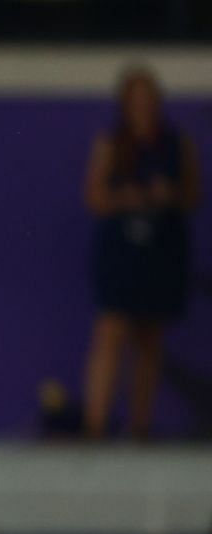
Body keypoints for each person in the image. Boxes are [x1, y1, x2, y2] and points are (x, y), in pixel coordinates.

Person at [82, 66, 201, 441]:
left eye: (149, 100)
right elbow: (95, 197)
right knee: (112, 328)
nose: (143, 107)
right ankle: (96, 426)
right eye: (136, 100)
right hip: (123, 248)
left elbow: (193, 195)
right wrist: (125, 198)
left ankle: (139, 426)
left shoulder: (176, 144)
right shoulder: (112, 144)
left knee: (150, 334)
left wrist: (170, 195)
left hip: (161, 246)